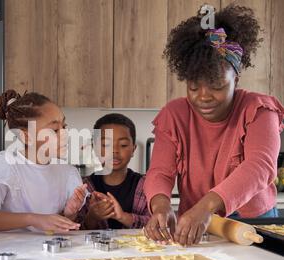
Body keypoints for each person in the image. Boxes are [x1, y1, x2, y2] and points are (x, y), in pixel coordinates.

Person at [144, 5, 284, 246]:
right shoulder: (174, 114)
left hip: (253, 220)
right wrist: (160, 205)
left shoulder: (259, 110)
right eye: (194, 87)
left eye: (217, 85)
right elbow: (160, 172)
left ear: (236, 79)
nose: (203, 97)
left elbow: (259, 166)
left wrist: (207, 206)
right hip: (195, 220)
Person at [0, 90, 86, 233]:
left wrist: (69, 214)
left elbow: (57, 228)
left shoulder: (67, 171)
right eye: (54, 130)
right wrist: (33, 219)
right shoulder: (3, 164)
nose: (65, 134)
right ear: (27, 137)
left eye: (64, 126)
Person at [78, 113, 150, 230]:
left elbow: (157, 224)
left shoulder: (146, 185)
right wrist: (92, 217)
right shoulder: (83, 187)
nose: (115, 151)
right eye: (106, 145)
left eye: (123, 145)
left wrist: (123, 217)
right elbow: (73, 229)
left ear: (133, 149)